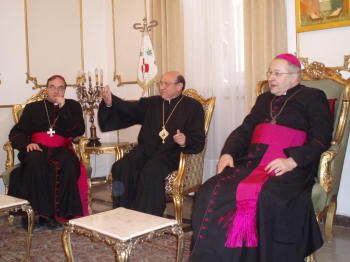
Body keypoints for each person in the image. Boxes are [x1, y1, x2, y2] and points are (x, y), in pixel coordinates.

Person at [190, 54, 333, 262]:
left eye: (277, 73)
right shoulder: (264, 99)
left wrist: (292, 161)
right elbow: (245, 130)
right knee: (210, 188)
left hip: (289, 165)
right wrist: (228, 153)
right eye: (269, 72)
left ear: (294, 77)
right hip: (254, 161)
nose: (270, 77)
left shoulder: (313, 96)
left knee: (267, 196)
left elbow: (322, 138)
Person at [98, 71, 205, 216]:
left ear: (179, 86)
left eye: (166, 84)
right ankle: (121, 212)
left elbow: (198, 137)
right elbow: (130, 109)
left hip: (170, 153)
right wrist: (111, 102)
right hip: (145, 150)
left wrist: (185, 140)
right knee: (121, 166)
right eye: (160, 83)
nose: (161, 87)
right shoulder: (153, 103)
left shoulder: (193, 107)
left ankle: (146, 217)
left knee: (151, 171)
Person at [8, 75, 88, 229]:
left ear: (65, 90)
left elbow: (78, 130)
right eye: (52, 86)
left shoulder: (73, 106)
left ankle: (59, 216)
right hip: (37, 147)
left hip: (61, 148)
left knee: (69, 163)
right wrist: (27, 144)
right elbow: (17, 132)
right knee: (34, 161)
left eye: (60, 87)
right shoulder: (32, 108)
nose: (56, 90)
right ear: (46, 89)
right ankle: (34, 215)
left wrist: (64, 109)